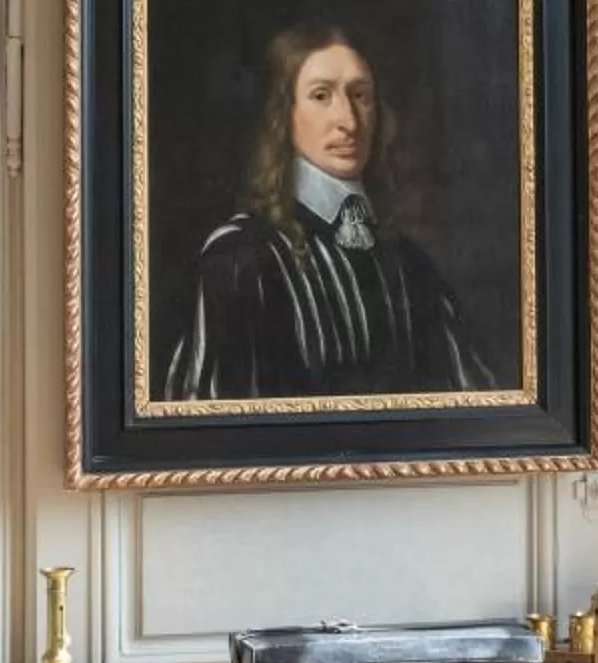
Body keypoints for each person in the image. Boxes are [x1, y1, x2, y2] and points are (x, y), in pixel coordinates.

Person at [163, 20, 494, 401]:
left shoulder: (410, 266)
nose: (348, 121)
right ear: (283, 114)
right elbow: (209, 418)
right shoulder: (241, 259)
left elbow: (474, 405)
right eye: (321, 96)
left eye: (360, 95)